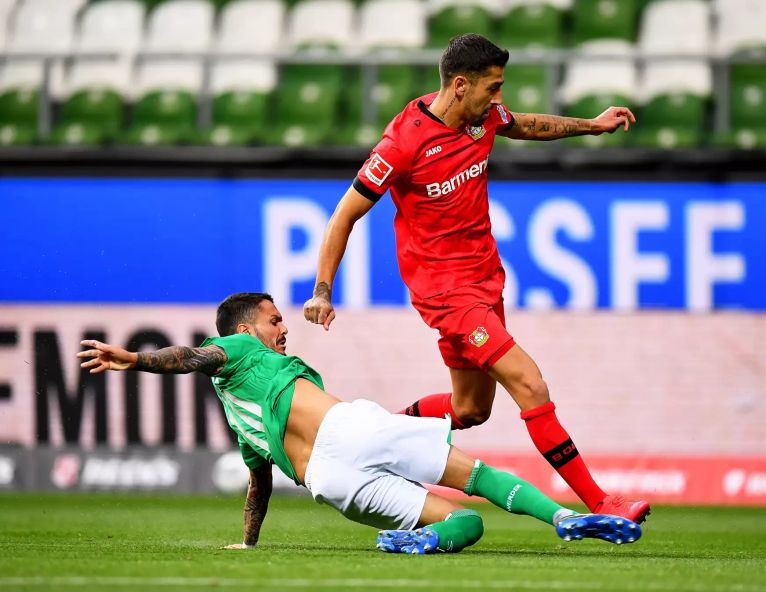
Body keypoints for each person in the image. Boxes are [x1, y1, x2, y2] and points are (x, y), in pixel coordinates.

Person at [302, 34, 649, 523]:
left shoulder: (481, 118)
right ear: (460, 85)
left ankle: (376, 436)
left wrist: (591, 126)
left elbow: (527, 124)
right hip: (446, 294)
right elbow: (343, 215)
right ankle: (601, 502)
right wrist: (322, 290)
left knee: (470, 409)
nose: (499, 99)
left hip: (484, 282)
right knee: (530, 385)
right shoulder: (402, 143)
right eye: (494, 87)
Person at [76, 292, 642, 554]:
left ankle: (405, 544)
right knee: (476, 477)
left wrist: (248, 544)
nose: (283, 329)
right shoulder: (237, 348)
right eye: (274, 321)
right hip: (349, 429)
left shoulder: (240, 418)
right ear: (245, 329)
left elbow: (259, 484)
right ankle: (566, 519)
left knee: (465, 526)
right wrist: (132, 358)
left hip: (331, 485)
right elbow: (191, 358)